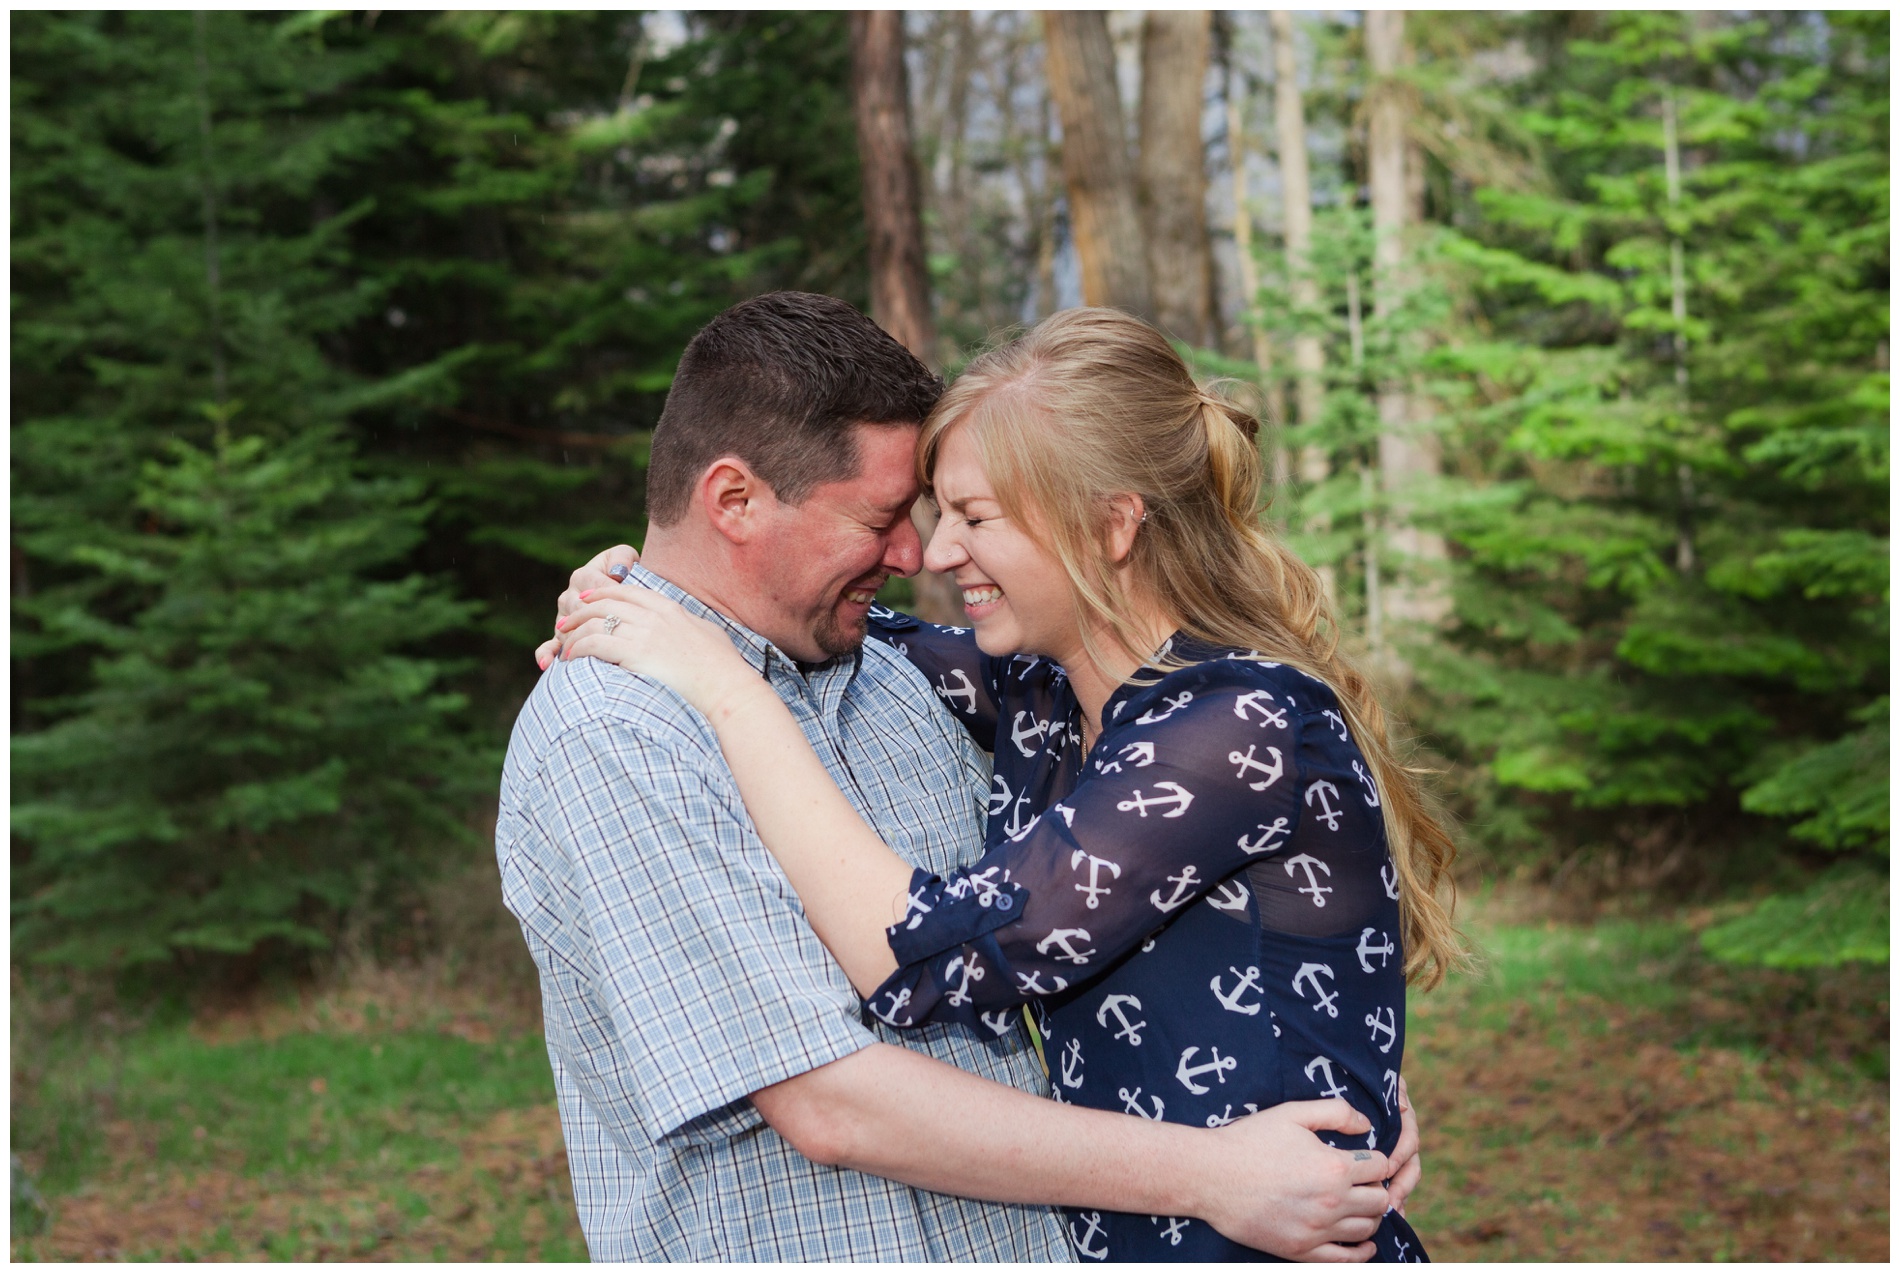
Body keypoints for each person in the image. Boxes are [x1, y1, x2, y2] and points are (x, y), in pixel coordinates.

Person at [502, 292, 1418, 1262]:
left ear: (1110, 526)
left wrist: (1340, 1061)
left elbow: (969, 944)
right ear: (732, 500)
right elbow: (829, 1102)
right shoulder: (625, 727)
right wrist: (631, 594)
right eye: (889, 515)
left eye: (957, 514)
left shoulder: (1136, 709)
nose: (921, 554)